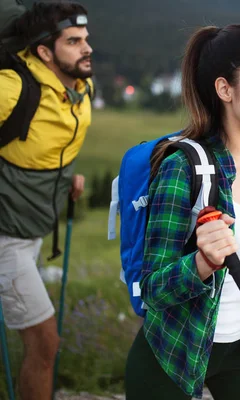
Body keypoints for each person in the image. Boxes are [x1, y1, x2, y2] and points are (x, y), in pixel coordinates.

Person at [125, 24, 240, 400]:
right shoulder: (184, 167)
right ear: (225, 89)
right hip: (173, 351)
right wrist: (203, 263)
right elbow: (153, 289)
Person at [0, 2, 92, 399]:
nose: (86, 48)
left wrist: (63, 178)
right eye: (73, 41)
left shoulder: (77, 87)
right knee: (44, 342)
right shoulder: (12, 87)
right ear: (43, 52)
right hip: (6, 237)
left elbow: (40, 145)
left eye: (86, 39)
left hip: (31, 227)